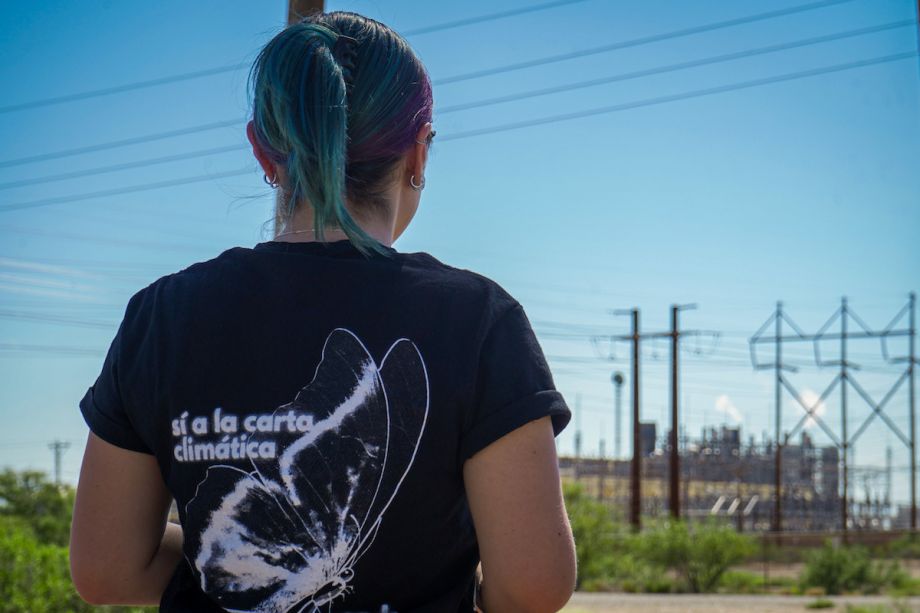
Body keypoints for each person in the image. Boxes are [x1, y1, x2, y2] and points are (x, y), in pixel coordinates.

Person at [70, 10, 576, 613]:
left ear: (263, 152)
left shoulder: (161, 316)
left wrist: (226, 560)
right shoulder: (479, 320)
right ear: (419, 154)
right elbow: (533, 584)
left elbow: (105, 570)